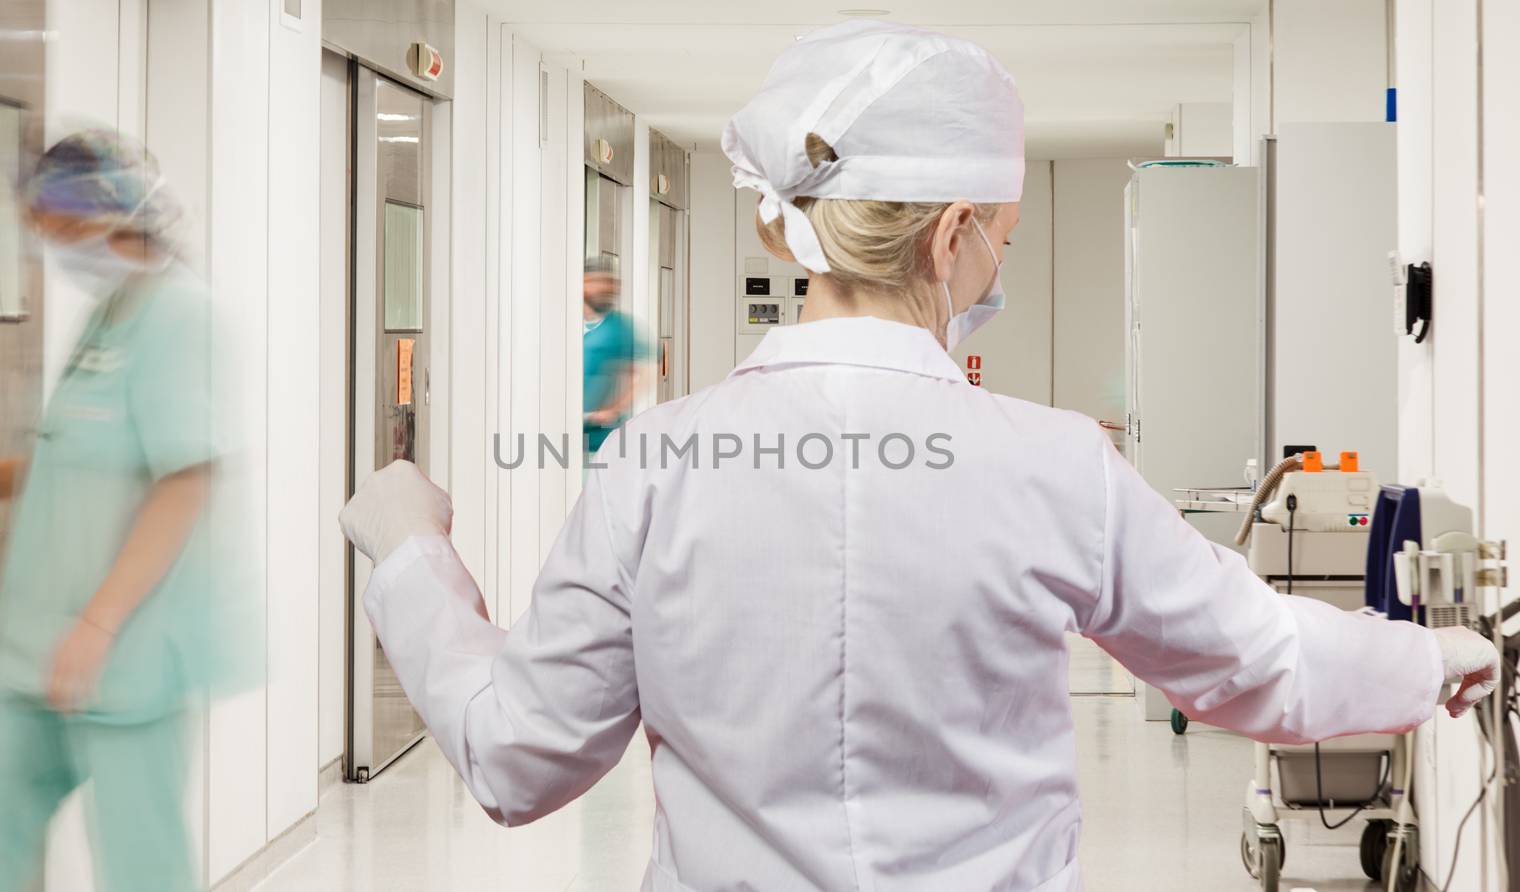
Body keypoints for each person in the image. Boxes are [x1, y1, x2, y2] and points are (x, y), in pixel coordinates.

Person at [338, 21, 1499, 891]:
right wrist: (1438, 654)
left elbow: (515, 758)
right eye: (998, 238)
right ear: (950, 239)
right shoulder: (1052, 466)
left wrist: (409, 553)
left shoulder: (658, 463)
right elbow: (1260, 662)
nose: (996, 266)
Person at [0, 129, 219, 891]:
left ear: (108, 212)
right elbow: (60, 460)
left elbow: (184, 479)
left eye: (56, 224)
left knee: (141, 861)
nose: (48, 243)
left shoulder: (179, 315)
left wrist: (98, 623)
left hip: (124, 657)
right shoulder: (110, 316)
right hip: (35, 651)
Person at [582, 254, 644, 453]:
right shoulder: (561, 323)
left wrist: (614, 410)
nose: (605, 289)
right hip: (557, 428)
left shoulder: (619, 327)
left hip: (600, 437)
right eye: (596, 282)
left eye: (609, 283)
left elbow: (642, 373)